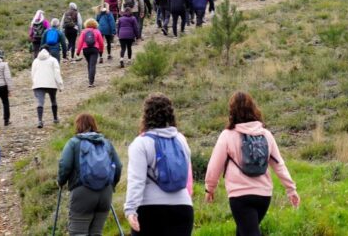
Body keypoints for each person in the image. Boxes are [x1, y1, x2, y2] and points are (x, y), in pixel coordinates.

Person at [204, 92, 299, 236]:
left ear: (232, 112)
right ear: (254, 109)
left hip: (240, 196)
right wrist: (291, 189)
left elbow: (214, 166)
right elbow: (279, 165)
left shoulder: (227, 135)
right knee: (243, 231)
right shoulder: (266, 134)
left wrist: (210, 188)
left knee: (248, 231)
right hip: (263, 196)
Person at [124, 94, 193, 235]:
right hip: (183, 207)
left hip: (150, 210)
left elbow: (136, 181)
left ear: (146, 115)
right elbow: (187, 175)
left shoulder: (141, 143)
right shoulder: (181, 140)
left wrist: (130, 209)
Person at [57, 113, 123, 236]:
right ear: (94, 125)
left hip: (82, 192)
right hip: (105, 193)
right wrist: (112, 184)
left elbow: (65, 165)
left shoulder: (73, 143)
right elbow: (118, 166)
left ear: (78, 126)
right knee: (96, 233)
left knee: (78, 233)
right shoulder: (106, 143)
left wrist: (60, 181)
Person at [31, 46, 63, 128]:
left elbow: (32, 73)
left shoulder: (35, 61)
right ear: (49, 51)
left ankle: (40, 121)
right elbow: (57, 73)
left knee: (40, 102)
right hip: (51, 84)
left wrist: (34, 83)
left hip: (38, 84)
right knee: (53, 100)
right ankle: (55, 118)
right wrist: (60, 85)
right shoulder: (53, 60)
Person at [75, 19, 105, 88]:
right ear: (95, 24)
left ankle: (90, 79)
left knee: (89, 64)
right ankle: (91, 82)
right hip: (94, 49)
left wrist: (78, 51)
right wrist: (101, 51)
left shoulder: (83, 31)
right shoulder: (97, 31)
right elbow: (101, 42)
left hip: (86, 50)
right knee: (92, 65)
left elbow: (80, 42)